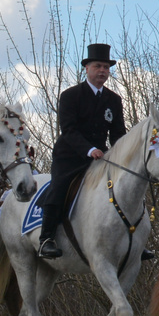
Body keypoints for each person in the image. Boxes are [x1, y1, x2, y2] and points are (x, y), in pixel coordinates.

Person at [36, 44, 126, 259]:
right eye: (98, 66)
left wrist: (121, 153)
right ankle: (46, 238)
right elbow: (68, 129)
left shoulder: (114, 100)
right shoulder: (71, 95)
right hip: (70, 157)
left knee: (125, 186)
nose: (102, 70)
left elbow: (118, 134)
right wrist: (90, 149)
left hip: (100, 158)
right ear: (86, 68)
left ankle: (130, 238)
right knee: (59, 187)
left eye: (106, 67)